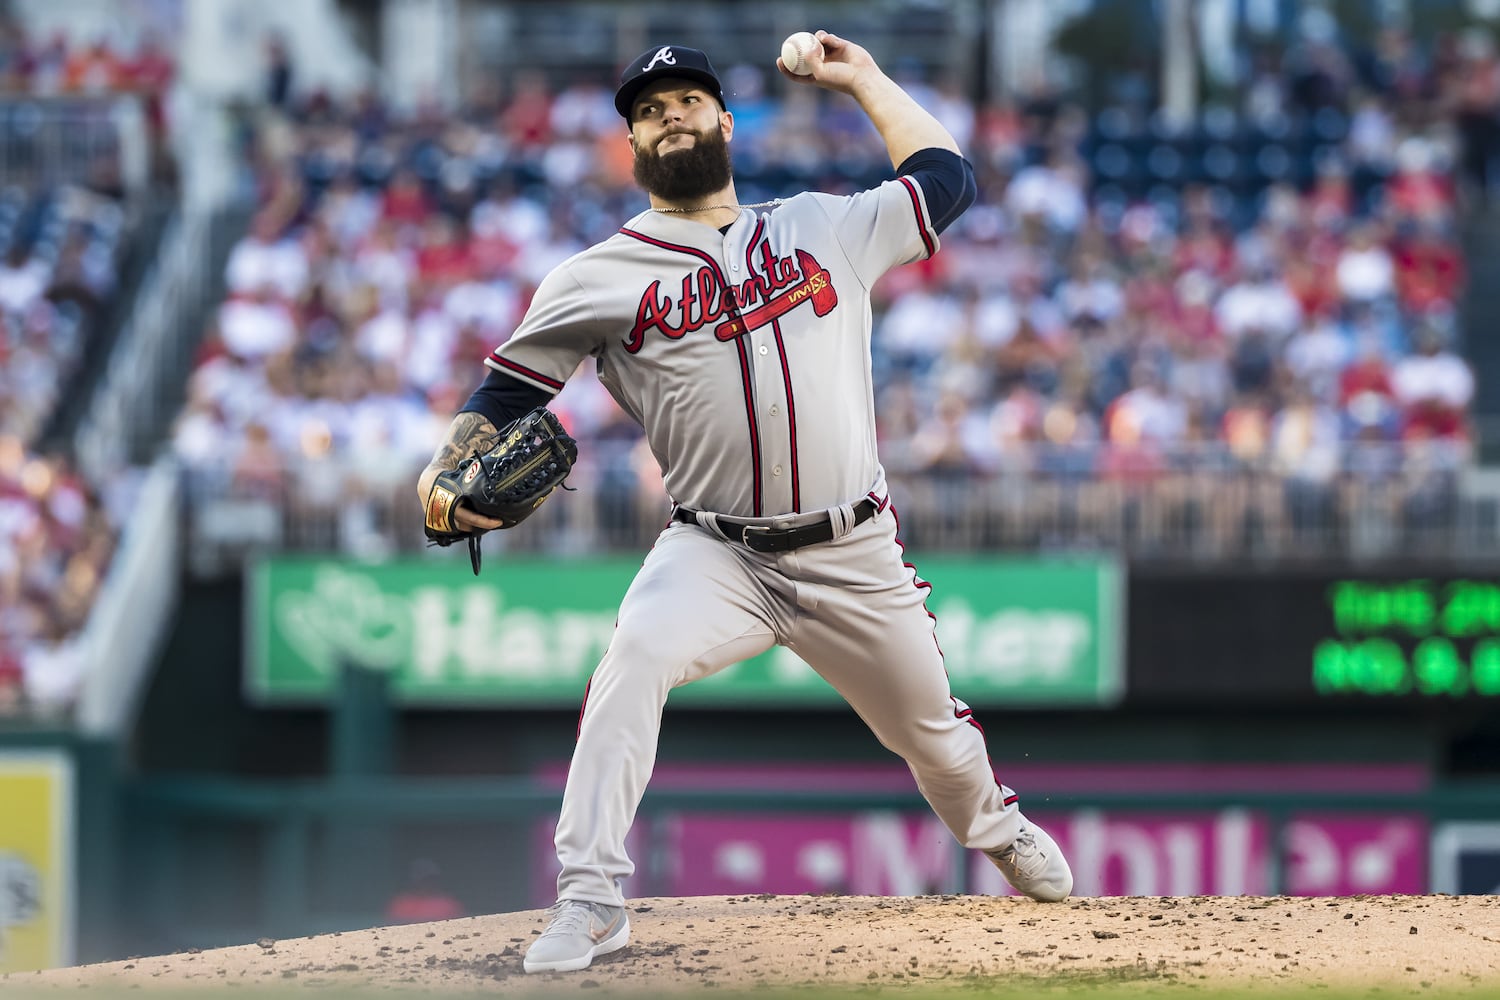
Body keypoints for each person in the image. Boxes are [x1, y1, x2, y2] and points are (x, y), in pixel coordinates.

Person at [415, 34, 1073, 976]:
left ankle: (998, 832)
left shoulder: (822, 224)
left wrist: (861, 78)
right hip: (717, 553)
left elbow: (946, 177)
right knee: (631, 660)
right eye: (648, 110)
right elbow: (499, 402)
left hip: (854, 549)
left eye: (686, 101)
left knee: (935, 736)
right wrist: (439, 481)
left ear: (726, 121)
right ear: (633, 148)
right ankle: (592, 897)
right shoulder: (595, 277)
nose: (669, 116)